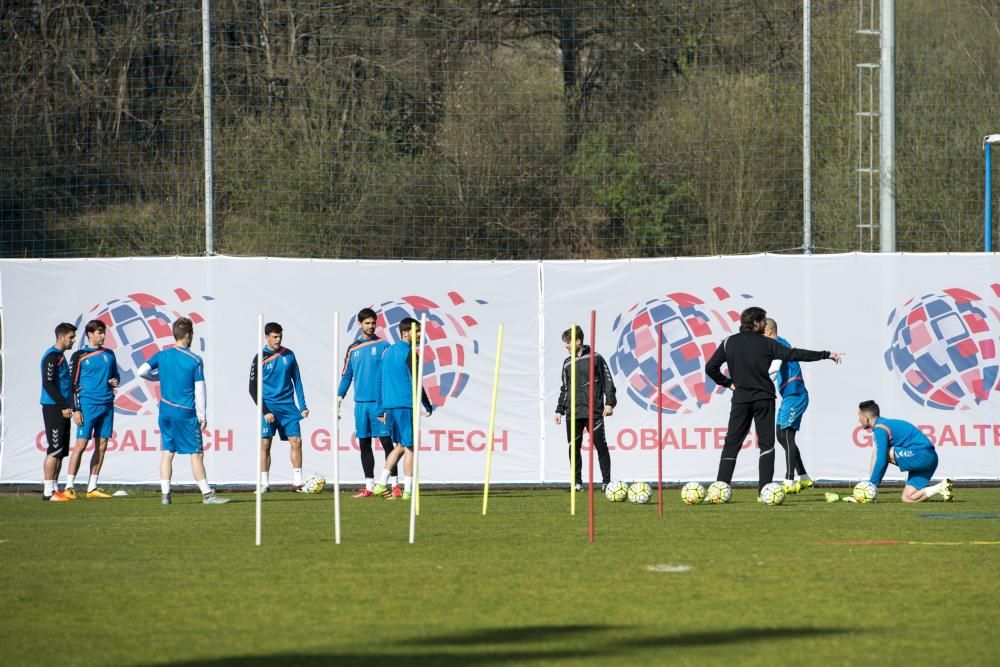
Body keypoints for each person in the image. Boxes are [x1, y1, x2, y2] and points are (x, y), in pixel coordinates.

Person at [705, 307, 843, 498]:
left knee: (731, 443)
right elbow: (795, 354)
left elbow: (710, 367)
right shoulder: (766, 343)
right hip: (764, 399)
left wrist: (728, 383)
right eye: (763, 320)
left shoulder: (729, 342)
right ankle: (764, 491)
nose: (765, 323)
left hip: (741, 400)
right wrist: (826, 354)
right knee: (766, 445)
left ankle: (720, 489)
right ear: (755, 323)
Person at [137, 317, 228, 505]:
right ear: (188, 335)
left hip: (165, 412)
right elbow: (200, 389)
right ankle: (207, 495)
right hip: (185, 413)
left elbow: (141, 371)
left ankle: (165, 496)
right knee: (196, 453)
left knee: (167, 452)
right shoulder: (195, 359)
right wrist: (202, 416)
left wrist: (157, 376)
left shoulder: (162, 355)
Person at [337, 308, 400, 498]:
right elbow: (347, 375)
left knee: (387, 443)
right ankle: (370, 486)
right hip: (361, 405)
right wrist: (339, 398)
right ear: (360, 324)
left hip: (379, 403)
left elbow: (391, 373)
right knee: (364, 444)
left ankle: (395, 486)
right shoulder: (353, 348)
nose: (371, 326)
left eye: (373, 323)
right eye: (367, 323)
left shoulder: (384, 346)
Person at [372, 317, 434, 500]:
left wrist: (381, 407)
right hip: (406, 404)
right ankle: (408, 491)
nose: (419, 335)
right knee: (410, 448)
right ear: (405, 332)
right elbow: (416, 380)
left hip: (391, 406)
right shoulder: (410, 353)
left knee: (399, 446)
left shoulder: (388, 352)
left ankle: (381, 483)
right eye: (417, 332)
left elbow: (379, 379)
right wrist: (426, 402)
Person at [248, 322, 309, 492]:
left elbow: (297, 381)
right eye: (274, 336)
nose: (278, 339)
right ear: (266, 337)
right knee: (265, 445)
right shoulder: (259, 357)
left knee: (297, 442)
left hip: (288, 407)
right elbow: (252, 388)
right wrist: (265, 411)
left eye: (280, 336)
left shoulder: (289, 355)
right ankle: (264, 484)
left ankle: (298, 483)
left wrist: (303, 406)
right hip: (269, 407)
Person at [554, 325, 617, 492]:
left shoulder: (596, 358)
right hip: (572, 412)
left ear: (578, 341)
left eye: (568, 342)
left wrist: (610, 402)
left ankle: (607, 483)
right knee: (573, 448)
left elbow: (608, 381)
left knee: (600, 446)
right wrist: (559, 409)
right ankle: (577, 483)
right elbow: (564, 388)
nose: (565, 346)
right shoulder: (567, 363)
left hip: (593, 411)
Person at [64, 320, 119, 499]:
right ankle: (69, 486)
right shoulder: (79, 355)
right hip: (87, 405)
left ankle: (92, 487)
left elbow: (116, 376)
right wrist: (76, 409)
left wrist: (115, 381)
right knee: (81, 445)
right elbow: (72, 384)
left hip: (107, 405)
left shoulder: (109, 354)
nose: (103, 336)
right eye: (100, 333)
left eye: (104, 333)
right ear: (90, 334)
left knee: (102, 445)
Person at [857, 400, 952, 502]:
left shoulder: (880, 428)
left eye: (859, 415)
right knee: (908, 498)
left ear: (865, 418)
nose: (858, 419)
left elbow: (881, 458)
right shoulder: (884, 424)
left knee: (878, 452)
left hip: (920, 455)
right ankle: (940, 487)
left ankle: (870, 488)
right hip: (930, 458)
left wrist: (873, 484)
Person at [763, 318, 814, 494]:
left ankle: (790, 479)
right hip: (789, 396)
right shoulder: (779, 343)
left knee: (787, 436)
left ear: (769, 332)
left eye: (762, 333)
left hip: (796, 394)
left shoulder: (778, 344)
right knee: (780, 435)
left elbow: (774, 369)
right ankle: (805, 477)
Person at [40, 323, 78, 501]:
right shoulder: (51, 356)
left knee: (61, 451)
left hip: (63, 407)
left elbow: (63, 383)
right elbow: (48, 383)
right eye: (71, 337)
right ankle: (48, 491)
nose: (73, 340)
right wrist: (63, 405)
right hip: (54, 407)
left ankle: (55, 489)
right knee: (54, 449)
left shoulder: (61, 357)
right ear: (61, 337)